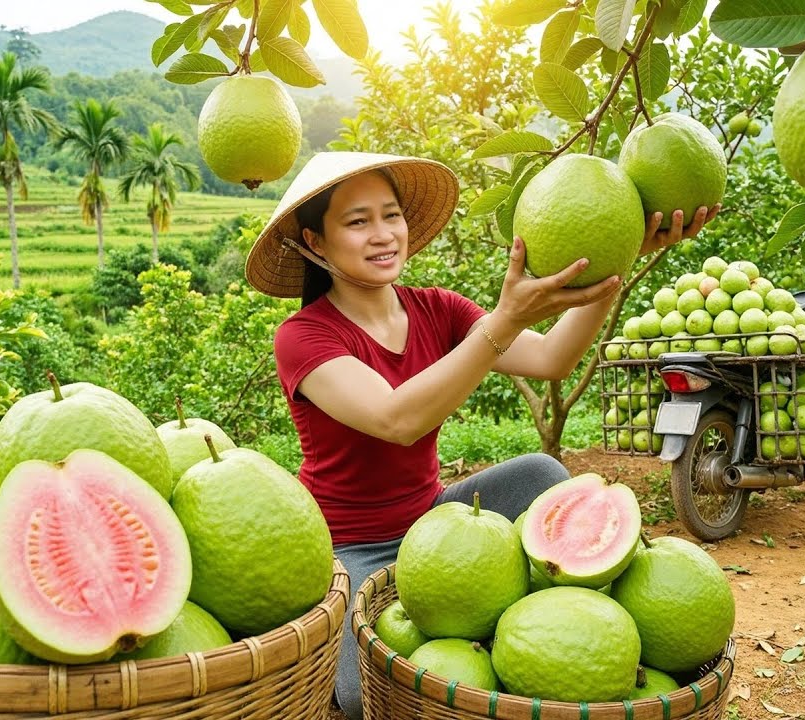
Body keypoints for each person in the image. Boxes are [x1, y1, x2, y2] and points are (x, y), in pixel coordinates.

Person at [243, 151, 719, 720]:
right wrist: (504, 320)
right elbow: (397, 419)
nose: (383, 234)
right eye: (357, 221)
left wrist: (614, 265)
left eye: (390, 215)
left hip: (437, 520)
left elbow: (550, 358)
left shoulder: (437, 309)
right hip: (349, 551)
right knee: (360, 694)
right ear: (316, 243)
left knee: (542, 475)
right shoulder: (303, 336)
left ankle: (534, 632)